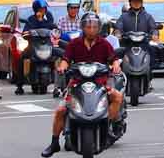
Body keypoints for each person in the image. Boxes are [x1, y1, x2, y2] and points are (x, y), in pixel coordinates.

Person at [40, 13, 124, 158]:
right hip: (76, 84)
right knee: (61, 110)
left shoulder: (104, 44)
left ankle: (108, 124)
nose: (91, 29)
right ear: (83, 27)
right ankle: (54, 142)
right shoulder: (75, 44)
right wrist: (62, 66)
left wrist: (116, 65)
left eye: (94, 27)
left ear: (99, 28)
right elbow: (66, 59)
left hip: (100, 84)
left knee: (117, 96)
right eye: (88, 26)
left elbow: (114, 58)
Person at [15, 0, 58, 95]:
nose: (43, 10)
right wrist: (29, 32)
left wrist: (54, 29)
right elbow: (25, 32)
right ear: (36, 9)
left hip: (47, 45)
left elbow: (52, 26)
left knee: (57, 57)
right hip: (33, 46)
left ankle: (58, 85)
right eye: (41, 9)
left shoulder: (49, 17)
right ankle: (19, 85)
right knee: (21, 58)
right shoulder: (31, 19)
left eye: (44, 9)